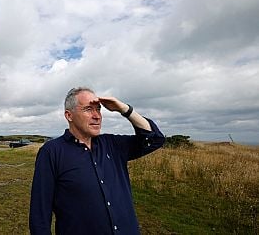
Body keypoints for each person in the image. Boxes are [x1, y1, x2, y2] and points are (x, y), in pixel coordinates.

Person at [29, 87, 165, 235]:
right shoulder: (52, 152)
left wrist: (124, 109)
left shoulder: (113, 145)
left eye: (98, 109)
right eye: (88, 109)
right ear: (69, 115)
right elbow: (40, 215)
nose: (97, 116)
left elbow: (155, 139)